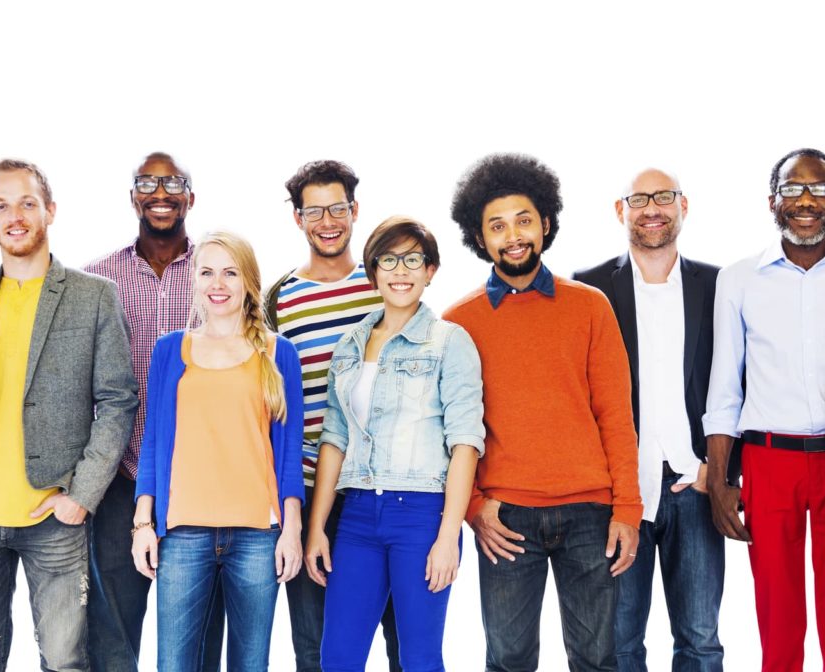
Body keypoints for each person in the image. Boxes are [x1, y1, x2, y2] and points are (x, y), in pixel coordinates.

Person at [0, 159, 138, 670]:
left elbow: (118, 401)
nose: (15, 215)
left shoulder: (93, 296)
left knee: (64, 662)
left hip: (53, 519)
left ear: (50, 210)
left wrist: (81, 496)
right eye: (1, 205)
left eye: (27, 202)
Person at [443, 153, 641, 671]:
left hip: (590, 515)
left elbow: (616, 416)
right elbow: (449, 432)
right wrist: (473, 507)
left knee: (597, 660)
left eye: (524, 220)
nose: (513, 235)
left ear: (546, 223)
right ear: (479, 238)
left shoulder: (590, 306)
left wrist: (627, 509)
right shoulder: (458, 322)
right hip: (505, 518)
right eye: (497, 226)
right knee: (508, 659)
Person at [703, 148, 825, 671]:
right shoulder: (738, 279)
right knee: (778, 621)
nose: (805, 199)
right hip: (769, 461)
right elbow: (724, 389)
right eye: (792, 189)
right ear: (772, 201)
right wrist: (719, 481)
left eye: (819, 189)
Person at [305, 217, 484, 671]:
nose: (400, 271)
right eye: (389, 260)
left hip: (421, 516)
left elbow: (465, 443)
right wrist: (316, 528)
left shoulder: (449, 342)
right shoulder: (350, 345)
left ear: (431, 271)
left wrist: (449, 536)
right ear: (373, 271)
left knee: (420, 659)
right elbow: (335, 439)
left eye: (413, 260)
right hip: (359, 515)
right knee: (339, 658)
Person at [131, 231, 305, 672]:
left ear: (248, 280)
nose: (218, 283)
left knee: (250, 664)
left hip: (257, 535)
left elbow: (287, 454)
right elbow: (153, 442)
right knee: (174, 664)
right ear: (194, 281)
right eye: (207, 272)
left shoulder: (278, 353)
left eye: (230, 272)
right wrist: (142, 525)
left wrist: (292, 530)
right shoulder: (171, 349)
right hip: (184, 532)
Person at [574, 168, 724, 671]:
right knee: (616, 644)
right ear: (621, 211)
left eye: (664, 197)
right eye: (639, 199)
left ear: (684, 205)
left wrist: (720, 470)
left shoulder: (718, 284)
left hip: (694, 489)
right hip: (621, 494)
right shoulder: (589, 288)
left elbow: (739, 382)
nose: (652, 209)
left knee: (701, 640)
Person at [84, 152, 223, 672]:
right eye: (147, 182)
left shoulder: (217, 274)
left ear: (191, 195)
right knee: (113, 629)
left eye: (173, 182)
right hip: (121, 475)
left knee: (200, 631)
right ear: (132, 196)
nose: (160, 192)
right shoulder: (98, 279)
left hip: (201, 477)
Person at [265, 160, 399, 671]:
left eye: (337, 208)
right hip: (308, 494)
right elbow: (270, 406)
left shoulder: (385, 284)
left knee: (401, 642)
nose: (328, 221)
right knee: (317, 650)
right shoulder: (280, 301)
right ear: (298, 218)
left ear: (355, 211)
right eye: (314, 211)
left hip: (385, 491)